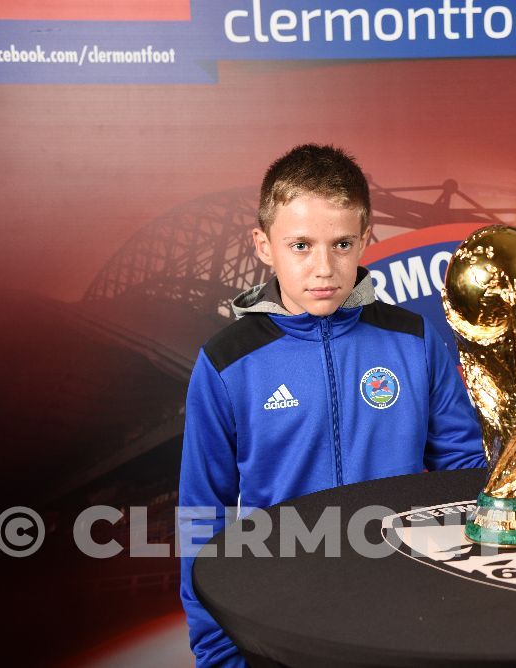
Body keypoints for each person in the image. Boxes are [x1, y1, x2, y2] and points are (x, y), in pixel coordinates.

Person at [178, 144, 484, 667]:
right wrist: (217, 652)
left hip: (407, 609)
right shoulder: (227, 362)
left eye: (342, 244)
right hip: (278, 615)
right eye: (300, 245)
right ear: (263, 245)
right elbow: (202, 515)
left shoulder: (412, 338)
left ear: (366, 239)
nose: (324, 268)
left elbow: (464, 470)